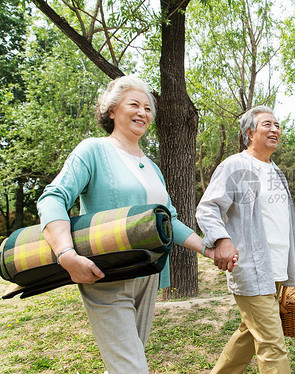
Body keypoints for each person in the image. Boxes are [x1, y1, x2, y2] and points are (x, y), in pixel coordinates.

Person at [37, 76, 217, 374]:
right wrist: (65, 253)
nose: (143, 113)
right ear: (111, 111)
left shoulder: (152, 166)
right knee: (132, 369)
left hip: (147, 273)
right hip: (105, 273)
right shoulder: (93, 150)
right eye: (134, 104)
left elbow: (168, 219)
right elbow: (52, 197)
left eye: (148, 108)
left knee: (123, 364)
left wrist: (206, 249)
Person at [196, 105, 295, 374]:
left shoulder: (277, 172)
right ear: (249, 132)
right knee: (272, 343)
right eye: (267, 124)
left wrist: (294, 260)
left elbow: (280, 221)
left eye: (278, 125)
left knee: (249, 333)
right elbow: (207, 208)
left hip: (276, 268)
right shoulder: (235, 165)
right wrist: (222, 240)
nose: (275, 129)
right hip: (252, 268)